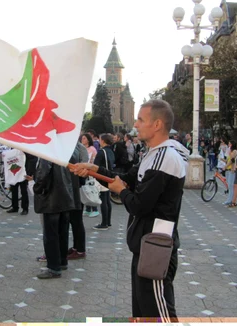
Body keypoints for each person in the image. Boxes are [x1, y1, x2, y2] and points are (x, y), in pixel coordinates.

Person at [72, 99, 187, 321]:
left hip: (156, 246)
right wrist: (95, 170)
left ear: (157, 125)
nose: (136, 124)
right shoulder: (152, 153)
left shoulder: (165, 158)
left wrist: (121, 192)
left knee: (158, 314)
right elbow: (126, 179)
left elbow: (139, 205)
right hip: (144, 245)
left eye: (141, 120)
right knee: (143, 311)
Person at [33, 147, 81, 279]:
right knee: (62, 231)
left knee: (51, 234)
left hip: (52, 198)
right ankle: (62, 261)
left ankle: (54, 267)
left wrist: (36, 188)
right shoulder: (69, 150)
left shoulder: (48, 150)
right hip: (65, 195)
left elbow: (43, 173)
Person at [67, 142, 89, 260]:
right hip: (71, 188)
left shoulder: (80, 148)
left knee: (76, 220)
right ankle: (76, 247)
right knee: (73, 220)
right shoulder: (71, 146)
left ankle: (80, 250)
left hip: (77, 188)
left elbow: (85, 167)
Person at [92, 134, 115, 230]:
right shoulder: (111, 151)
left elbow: (95, 165)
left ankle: (104, 223)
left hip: (102, 177)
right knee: (107, 200)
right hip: (110, 175)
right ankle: (108, 221)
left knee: (103, 200)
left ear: (103, 141)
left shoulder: (102, 152)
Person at [79, 133, 99, 217]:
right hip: (82, 170)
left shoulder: (92, 149)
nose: (82, 140)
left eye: (84, 138)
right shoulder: (80, 148)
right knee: (84, 189)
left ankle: (94, 209)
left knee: (90, 188)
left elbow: (94, 159)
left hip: (89, 171)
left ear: (88, 139)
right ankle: (87, 208)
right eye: (82, 138)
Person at [223, 141, 237, 206]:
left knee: (231, 185)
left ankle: (230, 200)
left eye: (229, 144)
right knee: (229, 185)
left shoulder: (234, 151)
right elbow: (228, 160)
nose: (228, 145)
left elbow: (232, 160)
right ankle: (230, 199)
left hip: (232, 170)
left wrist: (225, 166)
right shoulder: (230, 151)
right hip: (228, 170)